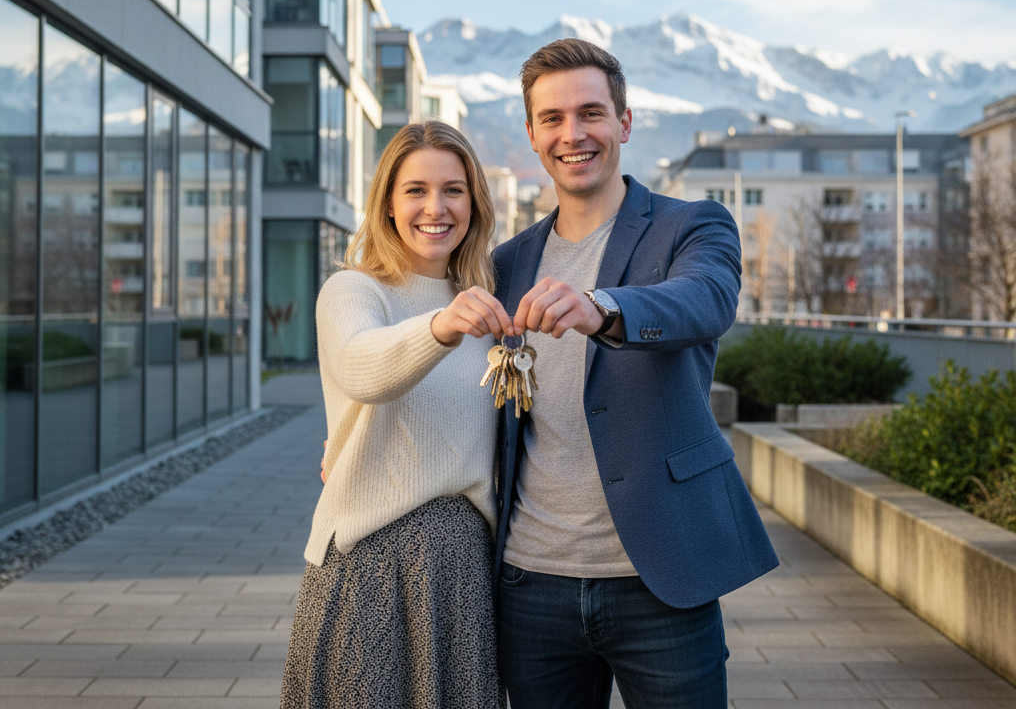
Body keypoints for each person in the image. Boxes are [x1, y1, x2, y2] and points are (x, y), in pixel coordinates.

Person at [491, 37, 779, 708]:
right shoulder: (505, 263)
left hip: (661, 579)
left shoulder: (692, 226)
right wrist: (362, 432)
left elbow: (705, 301)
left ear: (624, 122)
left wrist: (603, 307)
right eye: (553, 119)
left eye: (591, 113)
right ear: (533, 134)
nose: (573, 134)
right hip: (530, 585)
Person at [281, 120, 511, 709]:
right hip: (370, 567)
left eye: (453, 189)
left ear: (474, 201)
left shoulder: (488, 296)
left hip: (461, 575)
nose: (435, 207)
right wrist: (442, 326)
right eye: (415, 190)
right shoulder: (355, 291)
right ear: (387, 202)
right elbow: (362, 368)